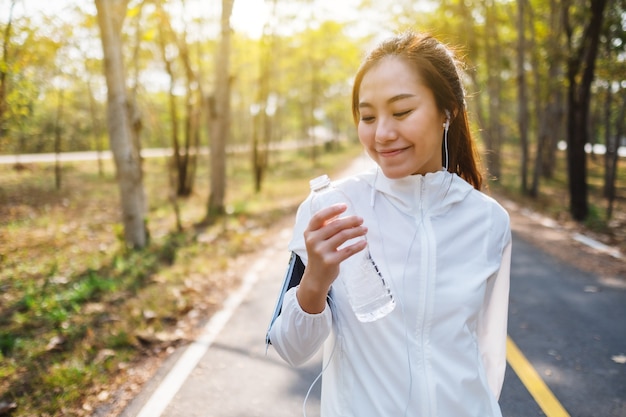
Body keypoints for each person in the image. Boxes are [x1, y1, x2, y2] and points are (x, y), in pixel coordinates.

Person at [266, 31, 512, 417]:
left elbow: (488, 353)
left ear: (447, 111)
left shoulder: (488, 221)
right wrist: (315, 279)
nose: (382, 134)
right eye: (367, 117)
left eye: (401, 112)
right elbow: (291, 349)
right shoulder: (330, 211)